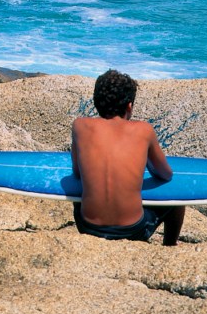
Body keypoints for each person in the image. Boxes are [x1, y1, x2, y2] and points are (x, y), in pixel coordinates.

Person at [70, 69, 184, 246]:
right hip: (133, 230)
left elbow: (77, 173)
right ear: (129, 106)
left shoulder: (80, 126)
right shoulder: (144, 130)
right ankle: (169, 246)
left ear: (97, 102)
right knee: (177, 202)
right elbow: (165, 174)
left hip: (87, 226)